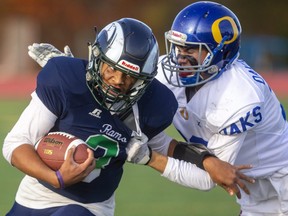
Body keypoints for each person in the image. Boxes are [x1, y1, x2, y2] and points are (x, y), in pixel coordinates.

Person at [12, 18, 254, 216]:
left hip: (88, 207)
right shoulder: (65, 81)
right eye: (112, 69)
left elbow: (166, 146)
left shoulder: (147, 105)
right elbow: (15, 144)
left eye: (130, 76)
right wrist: (56, 178)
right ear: (96, 61)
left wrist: (207, 161)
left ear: (146, 81)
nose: (118, 81)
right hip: (33, 194)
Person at [156, 1, 288, 215]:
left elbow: (208, 177)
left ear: (220, 53)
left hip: (281, 184)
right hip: (254, 193)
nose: (179, 58)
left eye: (191, 49)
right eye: (177, 46)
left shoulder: (239, 96)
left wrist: (147, 156)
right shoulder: (168, 73)